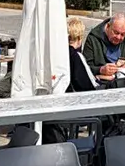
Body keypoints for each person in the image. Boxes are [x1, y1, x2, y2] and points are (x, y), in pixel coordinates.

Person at [42, 17, 99, 145]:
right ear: (80, 38)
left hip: (58, 102)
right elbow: (86, 85)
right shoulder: (75, 56)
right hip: (77, 104)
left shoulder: (57, 55)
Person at [82, 14, 125, 79]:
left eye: (123, 34)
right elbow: (85, 68)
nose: (118, 37)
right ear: (108, 26)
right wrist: (101, 69)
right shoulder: (93, 38)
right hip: (103, 82)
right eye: (116, 32)